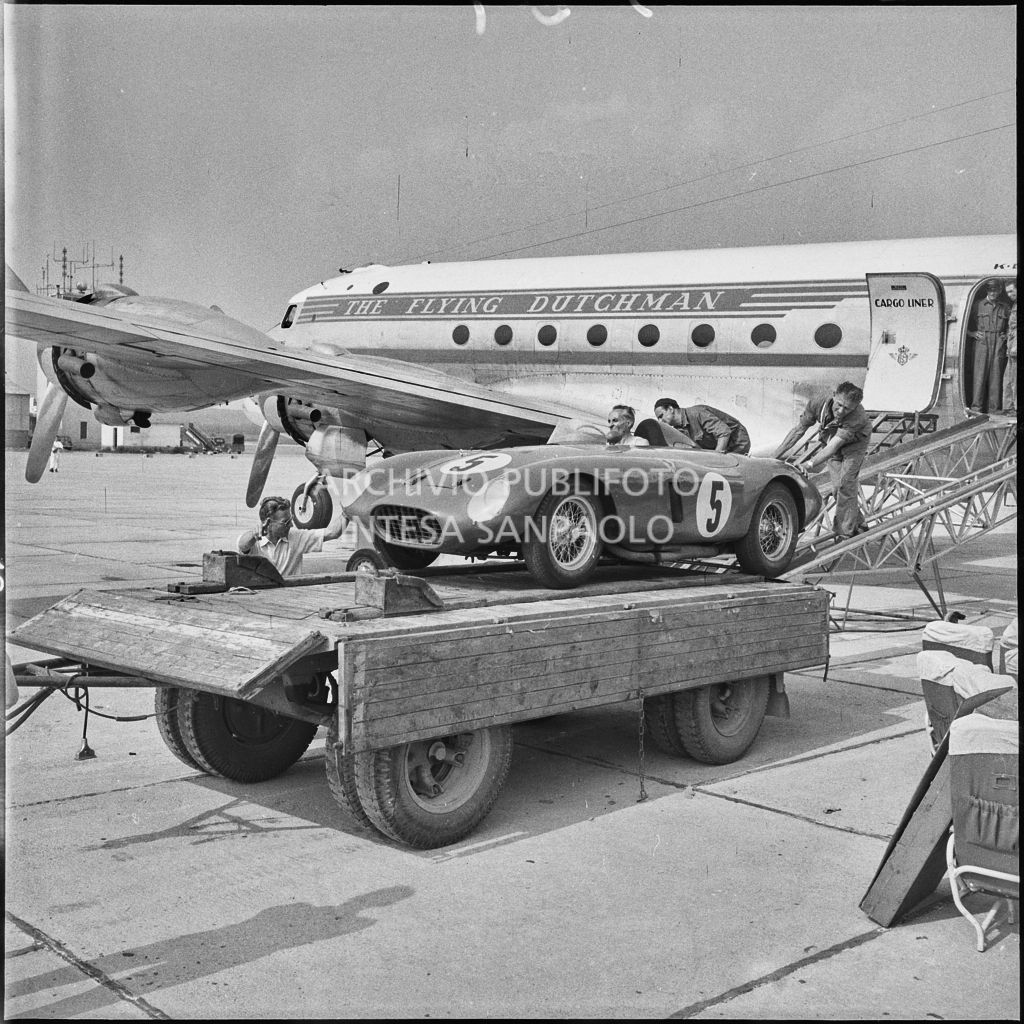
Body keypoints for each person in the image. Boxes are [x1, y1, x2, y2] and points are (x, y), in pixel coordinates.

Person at [774, 381, 871, 539]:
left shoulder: (857, 417)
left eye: (847, 409)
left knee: (845, 484)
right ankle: (859, 523)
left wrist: (810, 463)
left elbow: (833, 447)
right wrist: (774, 457)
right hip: (833, 437)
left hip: (855, 445)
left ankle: (844, 533)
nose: (840, 411)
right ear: (834, 396)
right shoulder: (817, 403)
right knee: (836, 489)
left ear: (854, 407)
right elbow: (798, 430)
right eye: (838, 405)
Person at [237, 486, 347, 577]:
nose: (291, 525)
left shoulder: (296, 537)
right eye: (286, 522)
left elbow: (333, 532)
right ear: (269, 522)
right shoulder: (255, 542)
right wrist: (253, 535)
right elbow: (242, 545)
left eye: (291, 520)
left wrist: (348, 510)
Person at [968, 278, 1010, 414]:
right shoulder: (976, 305)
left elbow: (1013, 324)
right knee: (979, 377)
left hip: (998, 343)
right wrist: (972, 333)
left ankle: (994, 410)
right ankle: (976, 409)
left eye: (996, 290)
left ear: (999, 291)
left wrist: (1007, 335)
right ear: (987, 290)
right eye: (990, 290)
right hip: (982, 343)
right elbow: (963, 326)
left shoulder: (1005, 307)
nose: (993, 292)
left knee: (996, 377)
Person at [653, 398, 751, 454]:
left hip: (738, 442)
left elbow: (724, 432)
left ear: (670, 409)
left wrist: (716, 457)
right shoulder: (679, 430)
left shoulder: (697, 413)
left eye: (661, 416)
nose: (660, 421)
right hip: (720, 447)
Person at [1001, 279, 1016, 415]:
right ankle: (1008, 407)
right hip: (1011, 349)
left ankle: (1015, 408)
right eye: (1008, 292)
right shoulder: (1014, 306)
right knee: (1008, 379)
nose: (1010, 294)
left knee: (1015, 380)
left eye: (1012, 291)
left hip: (1015, 349)